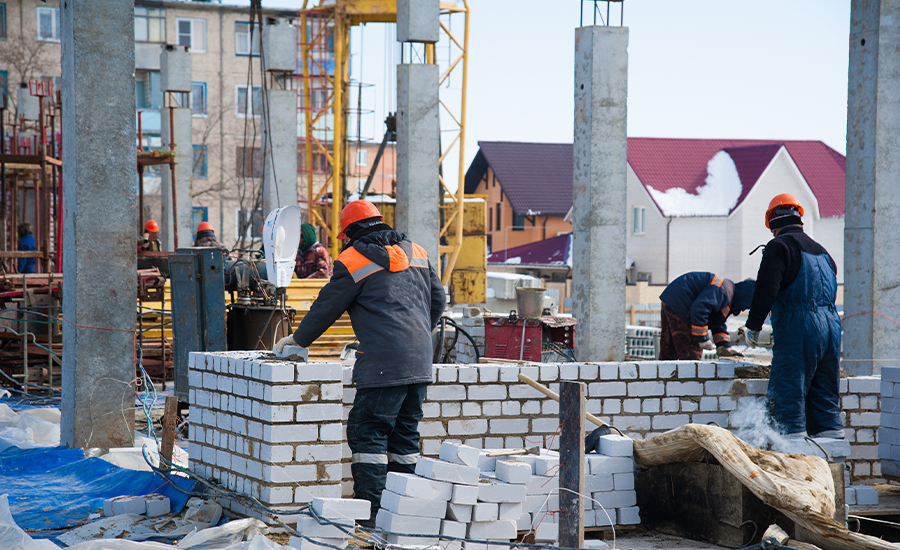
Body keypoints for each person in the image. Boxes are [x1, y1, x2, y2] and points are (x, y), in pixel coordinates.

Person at [274, 200, 445, 525]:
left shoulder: (352, 259)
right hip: (421, 359)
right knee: (405, 437)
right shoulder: (419, 252)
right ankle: (400, 513)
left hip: (383, 364)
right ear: (380, 222)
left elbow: (327, 307)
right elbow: (439, 300)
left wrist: (297, 340)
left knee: (368, 432)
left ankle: (372, 515)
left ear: (349, 232)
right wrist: (419, 333)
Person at [744, 193, 842, 439]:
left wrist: (753, 326)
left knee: (788, 395)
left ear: (773, 223)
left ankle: (790, 453)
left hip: (799, 329)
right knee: (825, 398)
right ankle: (833, 456)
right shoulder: (823, 252)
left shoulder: (780, 247)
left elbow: (766, 288)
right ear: (799, 219)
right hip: (831, 330)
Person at [658, 272, 755, 360]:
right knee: (691, 354)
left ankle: (663, 377)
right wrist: (702, 338)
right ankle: (691, 379)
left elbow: (717, 322)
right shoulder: (724, 292)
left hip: (671, 298)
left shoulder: (729, 294)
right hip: (682, 301)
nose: (743, 310)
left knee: (668, 350)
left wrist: (724, 346)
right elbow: (700, 308)